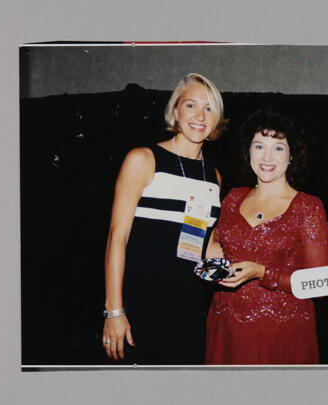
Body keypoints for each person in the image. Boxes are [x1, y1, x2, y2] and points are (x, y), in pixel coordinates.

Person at [102, 73, 227, 364]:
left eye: (209, 108)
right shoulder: (143, 160)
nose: (200, 115)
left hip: (189, 309)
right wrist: (114, 311)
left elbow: (205, 248)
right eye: (191, 105)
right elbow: (116, 238)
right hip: (140, 307)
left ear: (217, 120)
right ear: (175, 111)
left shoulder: (214, 177)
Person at [205, 109, 328, 364]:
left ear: (292, 155)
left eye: (278, 148)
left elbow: (320, 285)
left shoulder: (308, 207)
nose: (267, 156)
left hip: (282, 334)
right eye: (259, 145)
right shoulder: (232, 198)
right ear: (248, 151)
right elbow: (216, 247)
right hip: (227, 327)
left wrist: (263, 274)